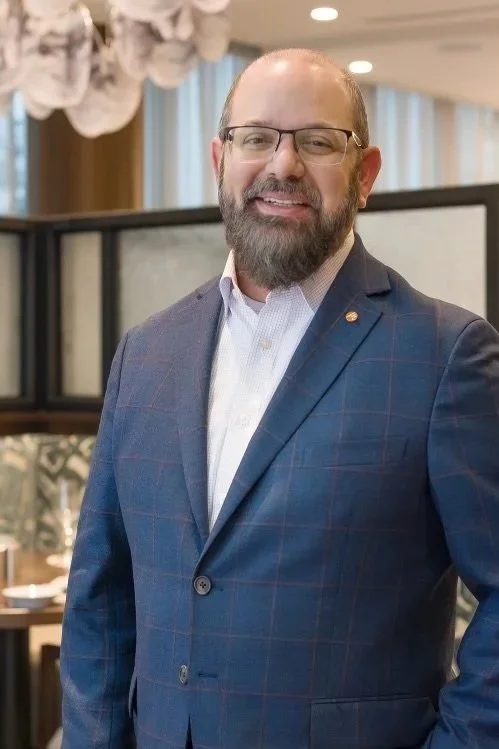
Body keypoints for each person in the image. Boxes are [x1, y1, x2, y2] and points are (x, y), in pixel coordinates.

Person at [60, 48, 499, 749]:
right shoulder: (146, 353)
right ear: (219, 161)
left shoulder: (445, 355)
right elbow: (99, 599)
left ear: (365, 175)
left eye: (318, 142)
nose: (283, 165)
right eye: (256, 138)